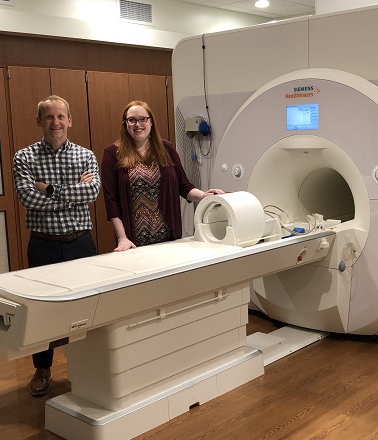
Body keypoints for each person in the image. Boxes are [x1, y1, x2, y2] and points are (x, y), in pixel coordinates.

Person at [12, 95, 101, 397]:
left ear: (70, 120)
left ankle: (88, 364)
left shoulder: (85, 156)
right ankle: (43, 368)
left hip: (81, 245)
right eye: (49, 117)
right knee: (43, 311)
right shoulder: (24, 158)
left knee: (88, 306)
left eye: (61, 116)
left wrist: (48, 189)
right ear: (39, 121)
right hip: (44, 246)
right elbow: (28, 199)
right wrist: (72, 191)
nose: (55, 123)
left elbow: (90, 195)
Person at [101, 100, 223, 251]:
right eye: (131, 120)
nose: (137, 124)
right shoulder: (113, 153)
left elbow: (183, 186)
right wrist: (122, 238)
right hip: (133, 240)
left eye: (143, 119)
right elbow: (111, 202)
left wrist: (205, 196)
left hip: (168, 237)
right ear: (125, 124)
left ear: (151, 122)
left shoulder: (166, 149)